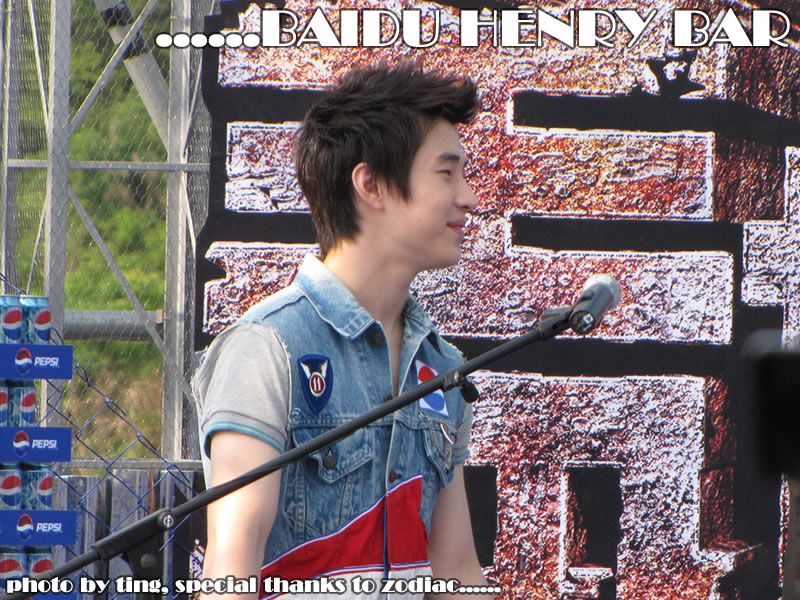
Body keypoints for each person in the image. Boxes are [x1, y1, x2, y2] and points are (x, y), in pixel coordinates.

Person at [193, 62, 493, 599]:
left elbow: (456, 572)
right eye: (447, 174)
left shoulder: (442, 367)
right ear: (371, 184)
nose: (468, 197)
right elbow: (230, 569)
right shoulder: (268, 349)